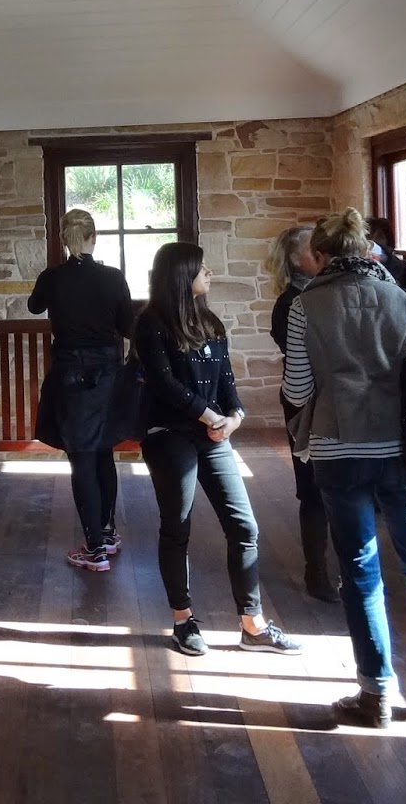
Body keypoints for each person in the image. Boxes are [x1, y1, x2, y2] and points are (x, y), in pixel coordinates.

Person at [283, 208, 406, 728]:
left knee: (360, 571)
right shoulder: (403, 300)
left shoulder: (305, 306)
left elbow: (297, 388)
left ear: (321, 255)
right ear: (365, 250)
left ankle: (376, 693)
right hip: (401, 449)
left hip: (338, 449)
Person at [133, 242, 301, 656]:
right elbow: (164, 384)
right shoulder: (151, 323)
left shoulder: (209, 322)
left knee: (244, 527)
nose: (209, 273)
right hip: (169, 435)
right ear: (180, 274)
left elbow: (227, 381)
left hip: (212, 436)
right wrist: (211, 417)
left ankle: (252, 625)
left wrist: (236, 417)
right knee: (178, 526)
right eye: (201, 268)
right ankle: (183, 619)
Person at [28, 209, 134, 572]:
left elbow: (34, 306)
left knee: (82, 458)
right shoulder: (113, 277)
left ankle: (95, 549)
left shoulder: (52, 278)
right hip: (108, 375)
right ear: (94, 237)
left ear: (63, 239)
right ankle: (107, 533)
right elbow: (128, 327)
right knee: (103, 452)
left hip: (71, 376)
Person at [265, 224, 339, 603]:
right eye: (313, 248)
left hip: (334, 401)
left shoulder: (327, 295)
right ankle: (316, 571)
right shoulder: (289, 305)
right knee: (313, 489)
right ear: (296, 259)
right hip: (306, 405)